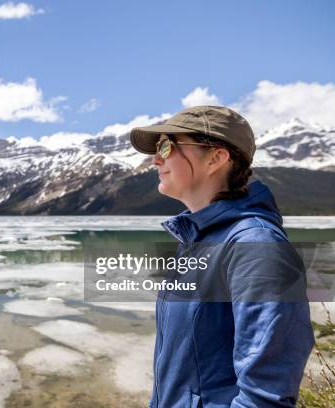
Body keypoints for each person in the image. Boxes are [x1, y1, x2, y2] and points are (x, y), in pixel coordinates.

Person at [129, 106, 315, 407]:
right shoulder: (198, 239)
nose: (155, 159)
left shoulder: (257, 247)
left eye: (167, 145)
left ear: (216, 158)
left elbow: (264, 397)